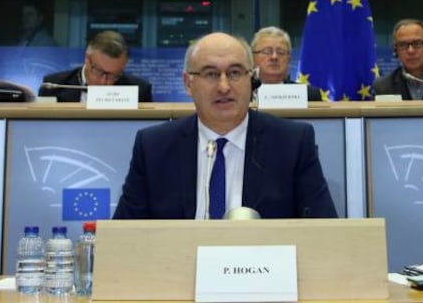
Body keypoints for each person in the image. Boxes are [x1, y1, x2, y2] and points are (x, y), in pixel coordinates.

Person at [113, 32, 337, 219]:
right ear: (188, 83)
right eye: (211, 74)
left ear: (251, 79)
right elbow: (125, 236)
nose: (224, 86)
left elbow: (322, 231)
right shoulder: (154, 147)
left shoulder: (292, 143)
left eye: (235, 73)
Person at [39, 30, 153, 102]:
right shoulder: (54, 86)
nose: (104, 82)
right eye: (99, 72)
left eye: (114, 75)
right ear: (87, 59)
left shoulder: (139, 90)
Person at [251, 26, 322, 102]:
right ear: (252, 59)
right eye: (267, 52)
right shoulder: (242, 93)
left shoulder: (308, 95)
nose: (274, 57)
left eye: (281, 52)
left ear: (289, 60)